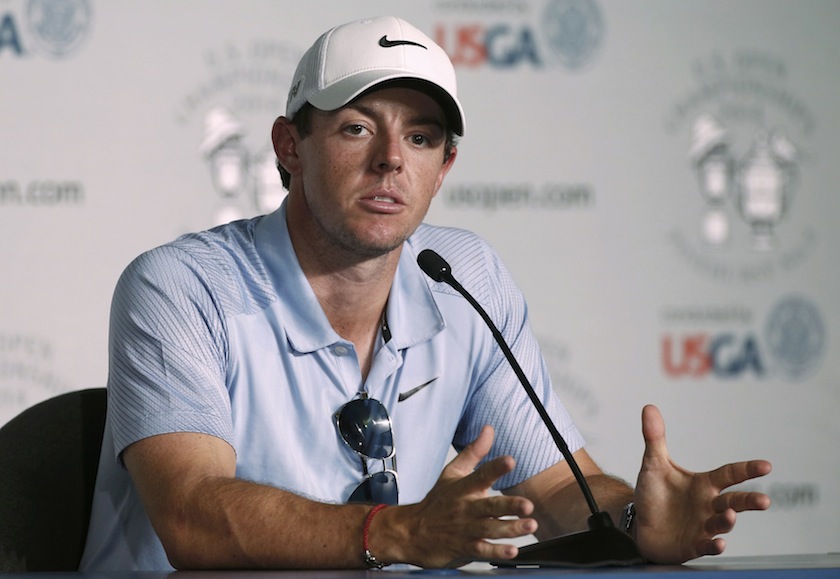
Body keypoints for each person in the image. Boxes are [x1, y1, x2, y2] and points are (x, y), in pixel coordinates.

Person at [80, 15, 772, 571]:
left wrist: (634, 521)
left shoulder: (463, 273)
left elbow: (560, 487)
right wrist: (400, 530)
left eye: (421, 136)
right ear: (289, 145)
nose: (391, 160)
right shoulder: (181, 285)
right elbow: (194, 517)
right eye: (357, 127)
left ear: (444, 168)